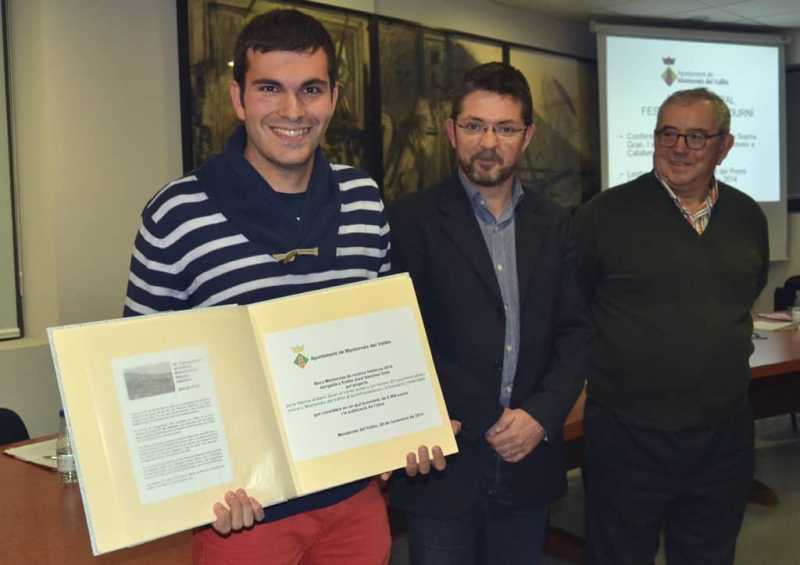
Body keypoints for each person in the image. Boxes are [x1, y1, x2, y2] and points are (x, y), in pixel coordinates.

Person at [124, 9, 451, 565]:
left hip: (355, 502)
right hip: (243, 513)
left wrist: (411, 423)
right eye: (270, 88)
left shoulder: (364, 199)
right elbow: (142, 375)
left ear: (334, 96)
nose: (293, 110)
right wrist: (193, 483)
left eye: (311, 90)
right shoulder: (176, 212)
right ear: (238, 97)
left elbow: (384, 338)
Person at [387, 62, 593, 565]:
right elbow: (405, 338)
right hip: (444, 466)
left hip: (529, 460)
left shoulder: (556, 223)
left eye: (505, 128)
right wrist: (493, 419)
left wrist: (540, 416)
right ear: (453, 132)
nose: (489, 142)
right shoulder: (408, 221)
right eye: (475, 126)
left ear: (527, 138)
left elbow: (576, 332)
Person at [574, 87, 769, 565]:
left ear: (725, 146)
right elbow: (572, 308)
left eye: (696, 136)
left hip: (722, 435)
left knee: (709, 553)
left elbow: (746, 291)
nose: (679, 148)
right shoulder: (603, 216)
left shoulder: (747, 217)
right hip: (627, 436)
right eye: (668, 133)